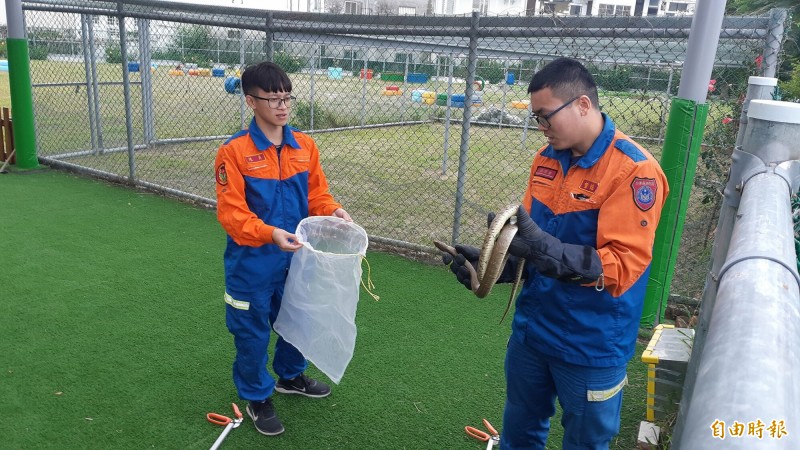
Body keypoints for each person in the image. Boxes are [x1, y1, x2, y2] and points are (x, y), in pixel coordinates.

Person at [442, 57, 668, 449]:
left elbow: (622, 265)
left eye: (546, 117)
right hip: (533, 329)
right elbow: (533, 244)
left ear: (582, 104)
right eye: (536, 119)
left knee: (585, 442)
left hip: (591, 342)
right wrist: (499, 267)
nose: (541, 128)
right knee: (520, 429)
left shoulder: (633, 171)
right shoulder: (547, 159)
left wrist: (543, 248)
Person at [214, 61, 351, 437]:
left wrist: (333, 210)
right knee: (252, 331)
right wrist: (270, 233)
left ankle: (290, 376)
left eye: (286, 97)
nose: (282, 105)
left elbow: (316, 194)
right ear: (250, 102)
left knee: (299, 319)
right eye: (272, 98)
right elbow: (232, 214)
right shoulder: (234, 152)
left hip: (297, 258)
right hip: (252, 262)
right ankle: (257, 395)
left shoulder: (304, 146)